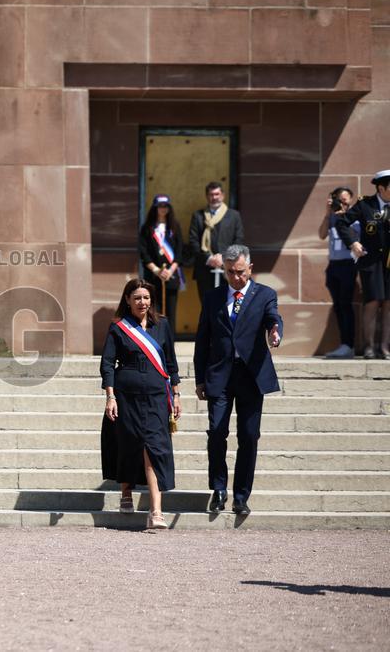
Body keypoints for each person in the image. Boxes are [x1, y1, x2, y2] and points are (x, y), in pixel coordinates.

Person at [194, 244, 282, 516]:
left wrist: (275, 331)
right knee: (217, 433)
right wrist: (199, 379)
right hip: (219, 376)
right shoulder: (213, 297)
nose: (236, 278)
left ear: (250, 269)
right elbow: (202, 341)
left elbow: (272, 317)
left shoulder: (264, 294)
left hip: (251, 376)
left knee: (249, 436)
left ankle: (241, 496)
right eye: (230, 272)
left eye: (241, 272)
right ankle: (219, 489)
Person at [100, 278, 180, 530]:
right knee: (129, 443)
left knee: (154, 447)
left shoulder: (162, 324)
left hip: (157, 396)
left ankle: (156, 512)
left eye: (145, 297)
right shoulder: (118, 327)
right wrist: (110, 396)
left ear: (151, 299)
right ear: (127, 300)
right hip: (126, 396)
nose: (142, 302)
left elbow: (170, 362)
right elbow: (107, 364)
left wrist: (176, 394)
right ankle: (126, 492)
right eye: (136, 298)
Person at [337, 170, 390, 359]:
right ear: (381, 188)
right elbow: (342, 222)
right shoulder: (365, 204)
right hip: (371, 261)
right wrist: (353, 243)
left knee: (389, 304)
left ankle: (384, 347)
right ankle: (368, 347)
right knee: (373, 302)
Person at [187, 181, 244, 303]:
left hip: (228, 270)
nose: (214, 197)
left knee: (227, 305)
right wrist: (209, 258)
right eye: (211, 194)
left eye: (217, 194)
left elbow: (238, 241)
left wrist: (223, 258)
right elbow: (193, 241)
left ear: (222, 195)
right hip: (204, 269)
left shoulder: (234, 216)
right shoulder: (198, 216)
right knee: (207, 306)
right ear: (207, 196)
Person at [319, 186, 359, 358]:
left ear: (350, 200)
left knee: (345, 304)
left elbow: (356, 238)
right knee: (338, 306)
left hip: (348, 264)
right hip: (333, 265)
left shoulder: (356, 218)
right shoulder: (332, 218)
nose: (342, 203)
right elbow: (321, 235)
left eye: (345, 200)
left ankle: (348, 344)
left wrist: (344, 215)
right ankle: (344, 344)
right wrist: (328, 213)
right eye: (338, 200)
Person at [139, 194, 183, 334]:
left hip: (171, 276)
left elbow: (179, 252)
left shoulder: (175, 227)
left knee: (170, 311)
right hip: (153, 276)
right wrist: (157, 270)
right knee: (153, 310)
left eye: (165, 206)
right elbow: (144, 253)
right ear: (155, 208)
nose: (163, 209)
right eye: (160, 206)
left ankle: (170, 342)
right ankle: (154, 339)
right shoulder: (147, 228)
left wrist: (170, 271)